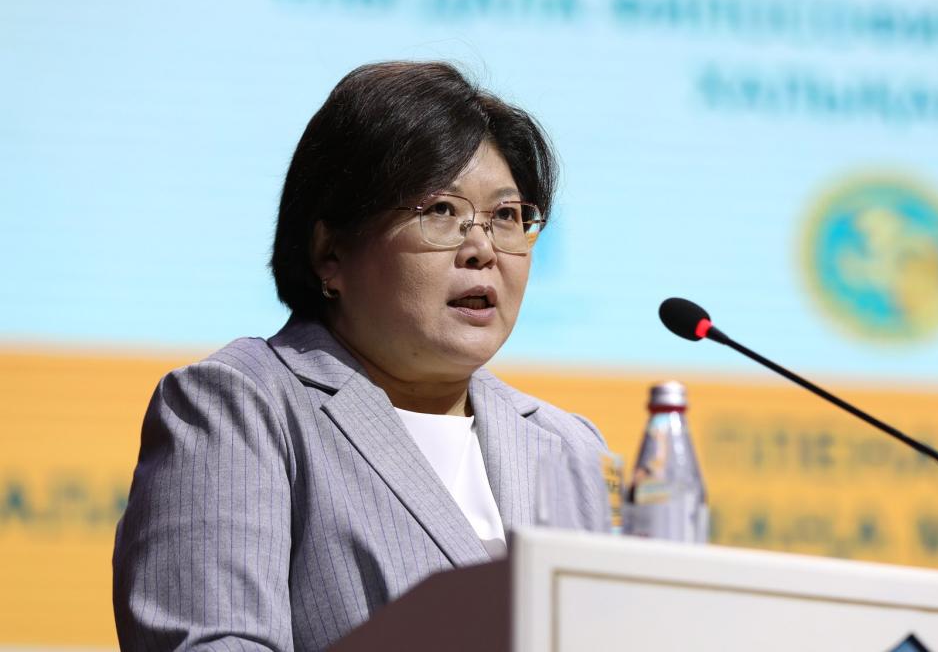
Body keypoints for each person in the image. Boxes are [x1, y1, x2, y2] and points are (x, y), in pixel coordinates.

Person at [112, 61, 609, 651]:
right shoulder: (241, 407)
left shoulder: (570, 447)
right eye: (440, 211)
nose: (481, 248)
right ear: (330, 253)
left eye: (506, 216)